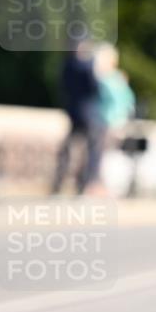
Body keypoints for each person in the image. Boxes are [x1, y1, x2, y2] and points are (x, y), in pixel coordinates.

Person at [50, 37, 106, 195]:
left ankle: (59, 183)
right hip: (88, 115)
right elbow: (95, 88)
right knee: (91, 152)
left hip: (73, 112)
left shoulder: (67, 65)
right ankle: (83, 184)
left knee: (68, 150)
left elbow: (63, 87)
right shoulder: (87, 66)